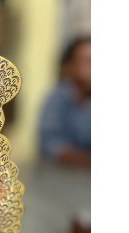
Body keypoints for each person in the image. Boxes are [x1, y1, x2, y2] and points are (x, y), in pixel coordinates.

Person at [39, 37, 91, 167]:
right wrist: (85, 159)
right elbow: (50, 144)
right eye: (88, 61)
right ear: (71, 66)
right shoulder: (57, 99)